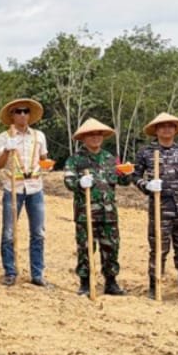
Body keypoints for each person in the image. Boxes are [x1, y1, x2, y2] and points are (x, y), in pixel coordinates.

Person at [63, 118, 133, 296]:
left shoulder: (111, 159)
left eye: (98, 134)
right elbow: (69, 182)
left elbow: (123, 181)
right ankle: (85, 283)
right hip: (85, 213)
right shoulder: (75, 160)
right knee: (85, 248)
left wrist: (127, 173)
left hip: (109, 213)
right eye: (91, 135)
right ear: (83, 138)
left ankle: (111, 282)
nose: (95, 137)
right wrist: (80, 182)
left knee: (111, 247)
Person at [133, 112, 178, 300]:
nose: (166, 129)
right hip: (160, 208)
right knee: (159, 248)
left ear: (175, 129)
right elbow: (135, 175)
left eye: (170, 126)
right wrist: (146, 185)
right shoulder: (146, 152)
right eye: (162, 126)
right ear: (156, 130)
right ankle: (154, 284)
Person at [0, 98, 50, 287]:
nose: (22, 115)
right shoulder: (4, 137)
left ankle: (37, 274)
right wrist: (6, 150)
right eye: (18, 111)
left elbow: (44, 159)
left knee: (38, 232)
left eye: (26, 111)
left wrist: (47, 165)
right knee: (9, 232)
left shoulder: (39, 136)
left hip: (35, 187)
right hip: (13, 188)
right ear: (12, 115)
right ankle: (10, 272)